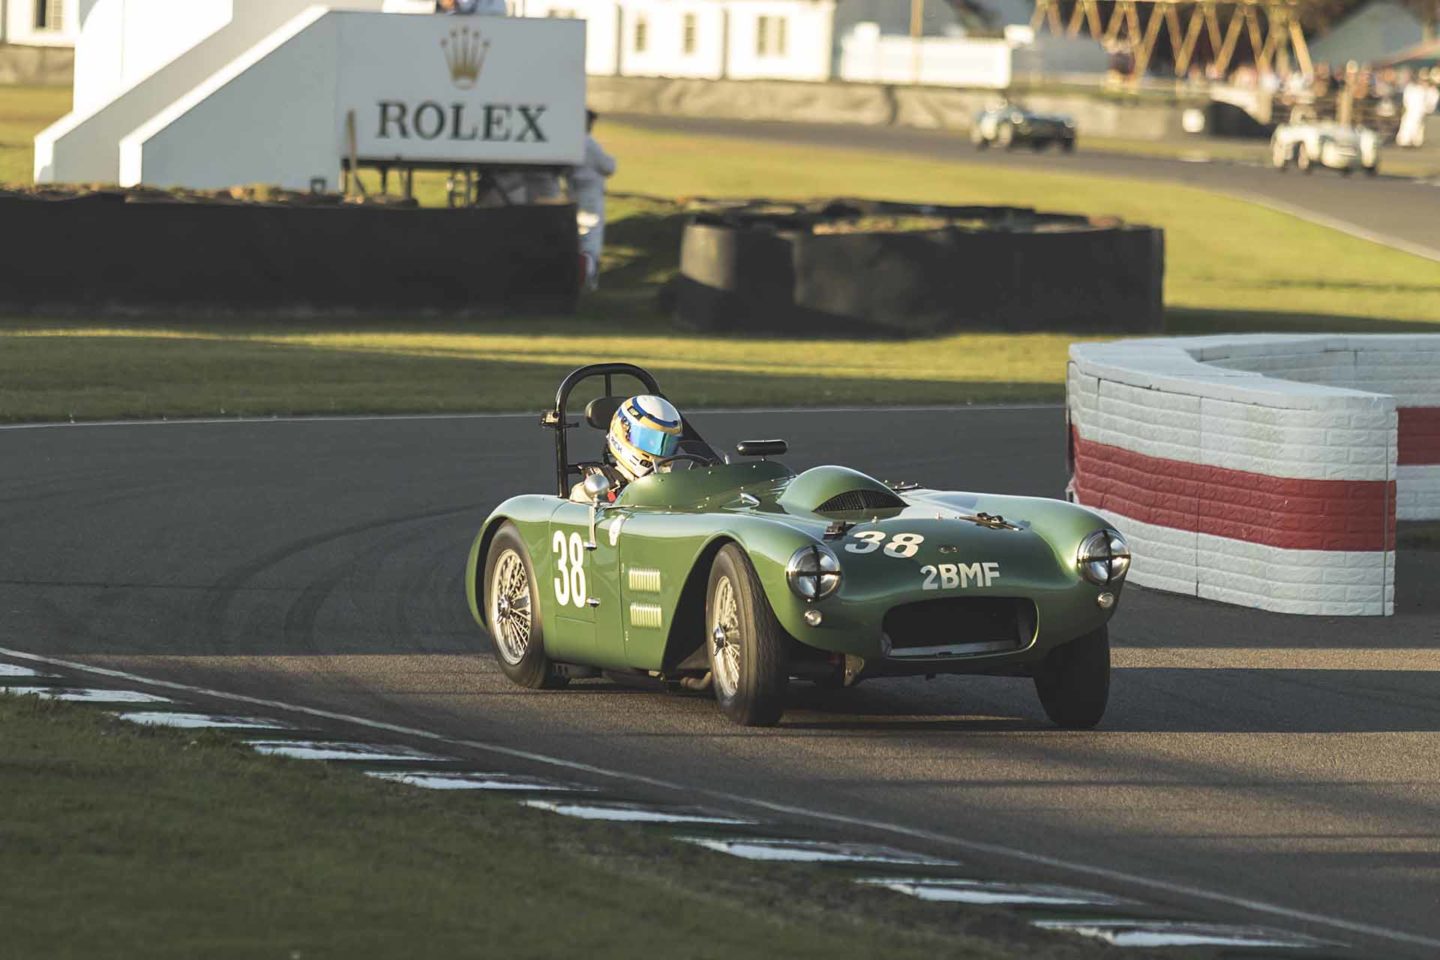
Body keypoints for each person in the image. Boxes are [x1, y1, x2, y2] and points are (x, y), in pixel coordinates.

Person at [570, 395, 683, 502]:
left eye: (668, 443)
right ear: (623, 432)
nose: (659, 452)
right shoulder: (592, 493)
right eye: (650, 440)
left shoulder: (674, 489)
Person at [571, 109, 616, 292]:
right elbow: (609, 166)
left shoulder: (569, 143)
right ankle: (588, 280)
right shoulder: (589, 143)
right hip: (590, 196)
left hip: (573, 193)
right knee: (590, 239)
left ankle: (582, 277)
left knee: (579, 239)